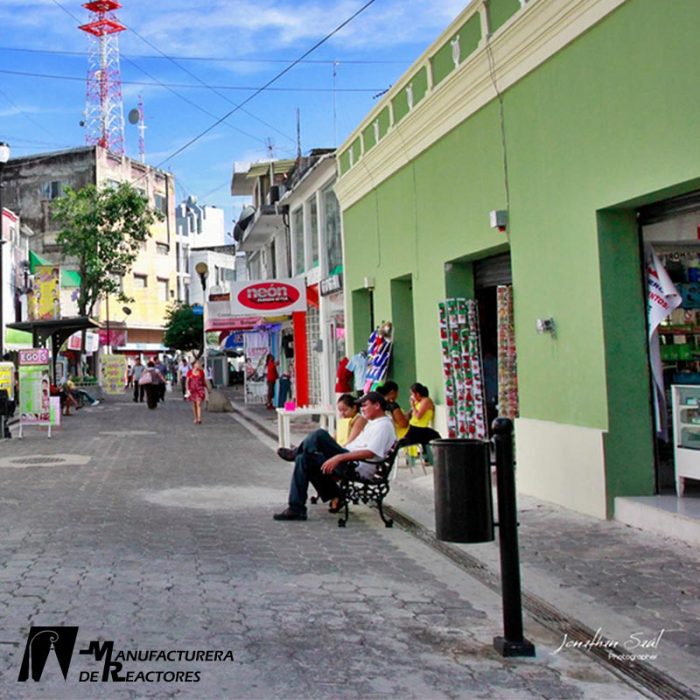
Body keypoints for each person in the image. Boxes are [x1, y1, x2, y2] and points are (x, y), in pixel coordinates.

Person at [273, 392, 396, 522]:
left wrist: (338, 458)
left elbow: (370, 453)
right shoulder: (374, 423)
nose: (362, 409)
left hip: (355, 465)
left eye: (365, 405)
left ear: (377, 405)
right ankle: (296, 509)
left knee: (320, 434)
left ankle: (296, 452)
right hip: (349, 459)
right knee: (303, 459)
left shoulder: (383, 425)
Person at [398, 382, 441, 450]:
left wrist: (413, 406)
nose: (411, 396)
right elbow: (410, 414)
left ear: (417, 394)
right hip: (413, 427)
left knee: (435, 435)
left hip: (419, 428)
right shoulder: (418, 402)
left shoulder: (426, 401)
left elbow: (418, 416)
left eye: (412, 394)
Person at [186, 359, 207, 424]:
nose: (198, 365)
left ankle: (199, 418)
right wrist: (187, 389)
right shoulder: (189, 372)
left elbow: (203, 381)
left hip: (200, 389)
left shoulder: (201, 372)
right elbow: (187, 382)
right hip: (192, 390)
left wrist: (207, 388)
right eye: (197, 363)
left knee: (199, 403)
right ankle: (195, 417)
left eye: (199, 363)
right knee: (194, 404)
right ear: (194, 365)